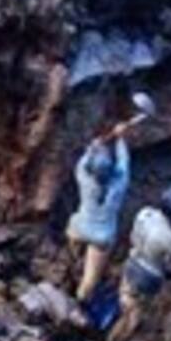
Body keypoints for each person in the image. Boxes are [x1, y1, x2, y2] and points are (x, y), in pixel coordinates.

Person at [106, 186, 171, 341]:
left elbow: (132, 236)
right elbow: (169, 266)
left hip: (132, 262)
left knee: (126, 302)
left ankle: (113, 333)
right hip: (147, 277)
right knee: (134, 316)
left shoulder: (144, 214)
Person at [66, 127, 131, 303]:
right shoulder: (119, 183)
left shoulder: (84, 178)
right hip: (102, 237)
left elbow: (82, 162)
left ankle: (74, 255)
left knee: (71, 229)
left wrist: (93, 147)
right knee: (90, 278)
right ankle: (79, 300)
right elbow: (124, 160)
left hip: (81, 226)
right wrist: (120, 139)